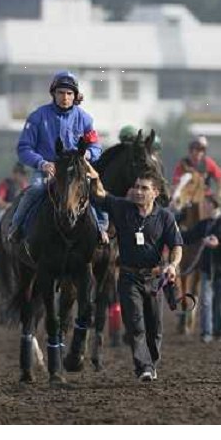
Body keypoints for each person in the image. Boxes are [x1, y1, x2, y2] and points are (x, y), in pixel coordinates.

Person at [86, 163, 183, 382]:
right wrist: (95, 177)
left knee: (155, 328)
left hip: (155, 278)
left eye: (144, 188)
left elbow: (177, 246)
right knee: (135, 323)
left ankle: (151, 363)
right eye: (137, 187)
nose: (138, 191)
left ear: (155, 193)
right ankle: (143, 367)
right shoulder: (122, 208)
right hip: (129, 277)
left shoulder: (165, 217)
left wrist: (173, 266)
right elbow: (100, 195)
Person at [7, 71, 109, 244]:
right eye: (61, 92)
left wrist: (88, 154)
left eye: (69, 93)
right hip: (47, 171)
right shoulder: (37, 117)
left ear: (75, 95)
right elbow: (23, 148)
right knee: (35, 190)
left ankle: (101, 229)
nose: (65, 97)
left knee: (93, 191)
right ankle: (15, 228)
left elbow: (95, 146)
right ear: (53, 93)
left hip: (75, 171)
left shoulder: (85, 119)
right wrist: (42, 163)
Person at [183, 194, 221, 343]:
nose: (204, 206)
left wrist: (218, 245)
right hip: (207, 270)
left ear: (214, 205)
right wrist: (172, 232)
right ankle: (206, 332)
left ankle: (219, 332)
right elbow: (188, 237)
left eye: (207, 204)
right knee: (205, 301)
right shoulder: (203, 224)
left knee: (219, 302)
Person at [0, 163, 29, 259]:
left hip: (22, 211)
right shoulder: (6, 184)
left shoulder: (26, 186)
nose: (22, 176)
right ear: (15, 173)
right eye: (20, 174)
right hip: (7, 210)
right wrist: (9, 205)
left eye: (23, 174)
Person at [171, 135, 221, 199]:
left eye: (202, 149)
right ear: (191, 148)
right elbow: (175, 185)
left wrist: (219, 198)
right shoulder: (183, 164)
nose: (200, 152)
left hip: (205, 200)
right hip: (187, 200)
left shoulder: (208, 163)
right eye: (197, 148)